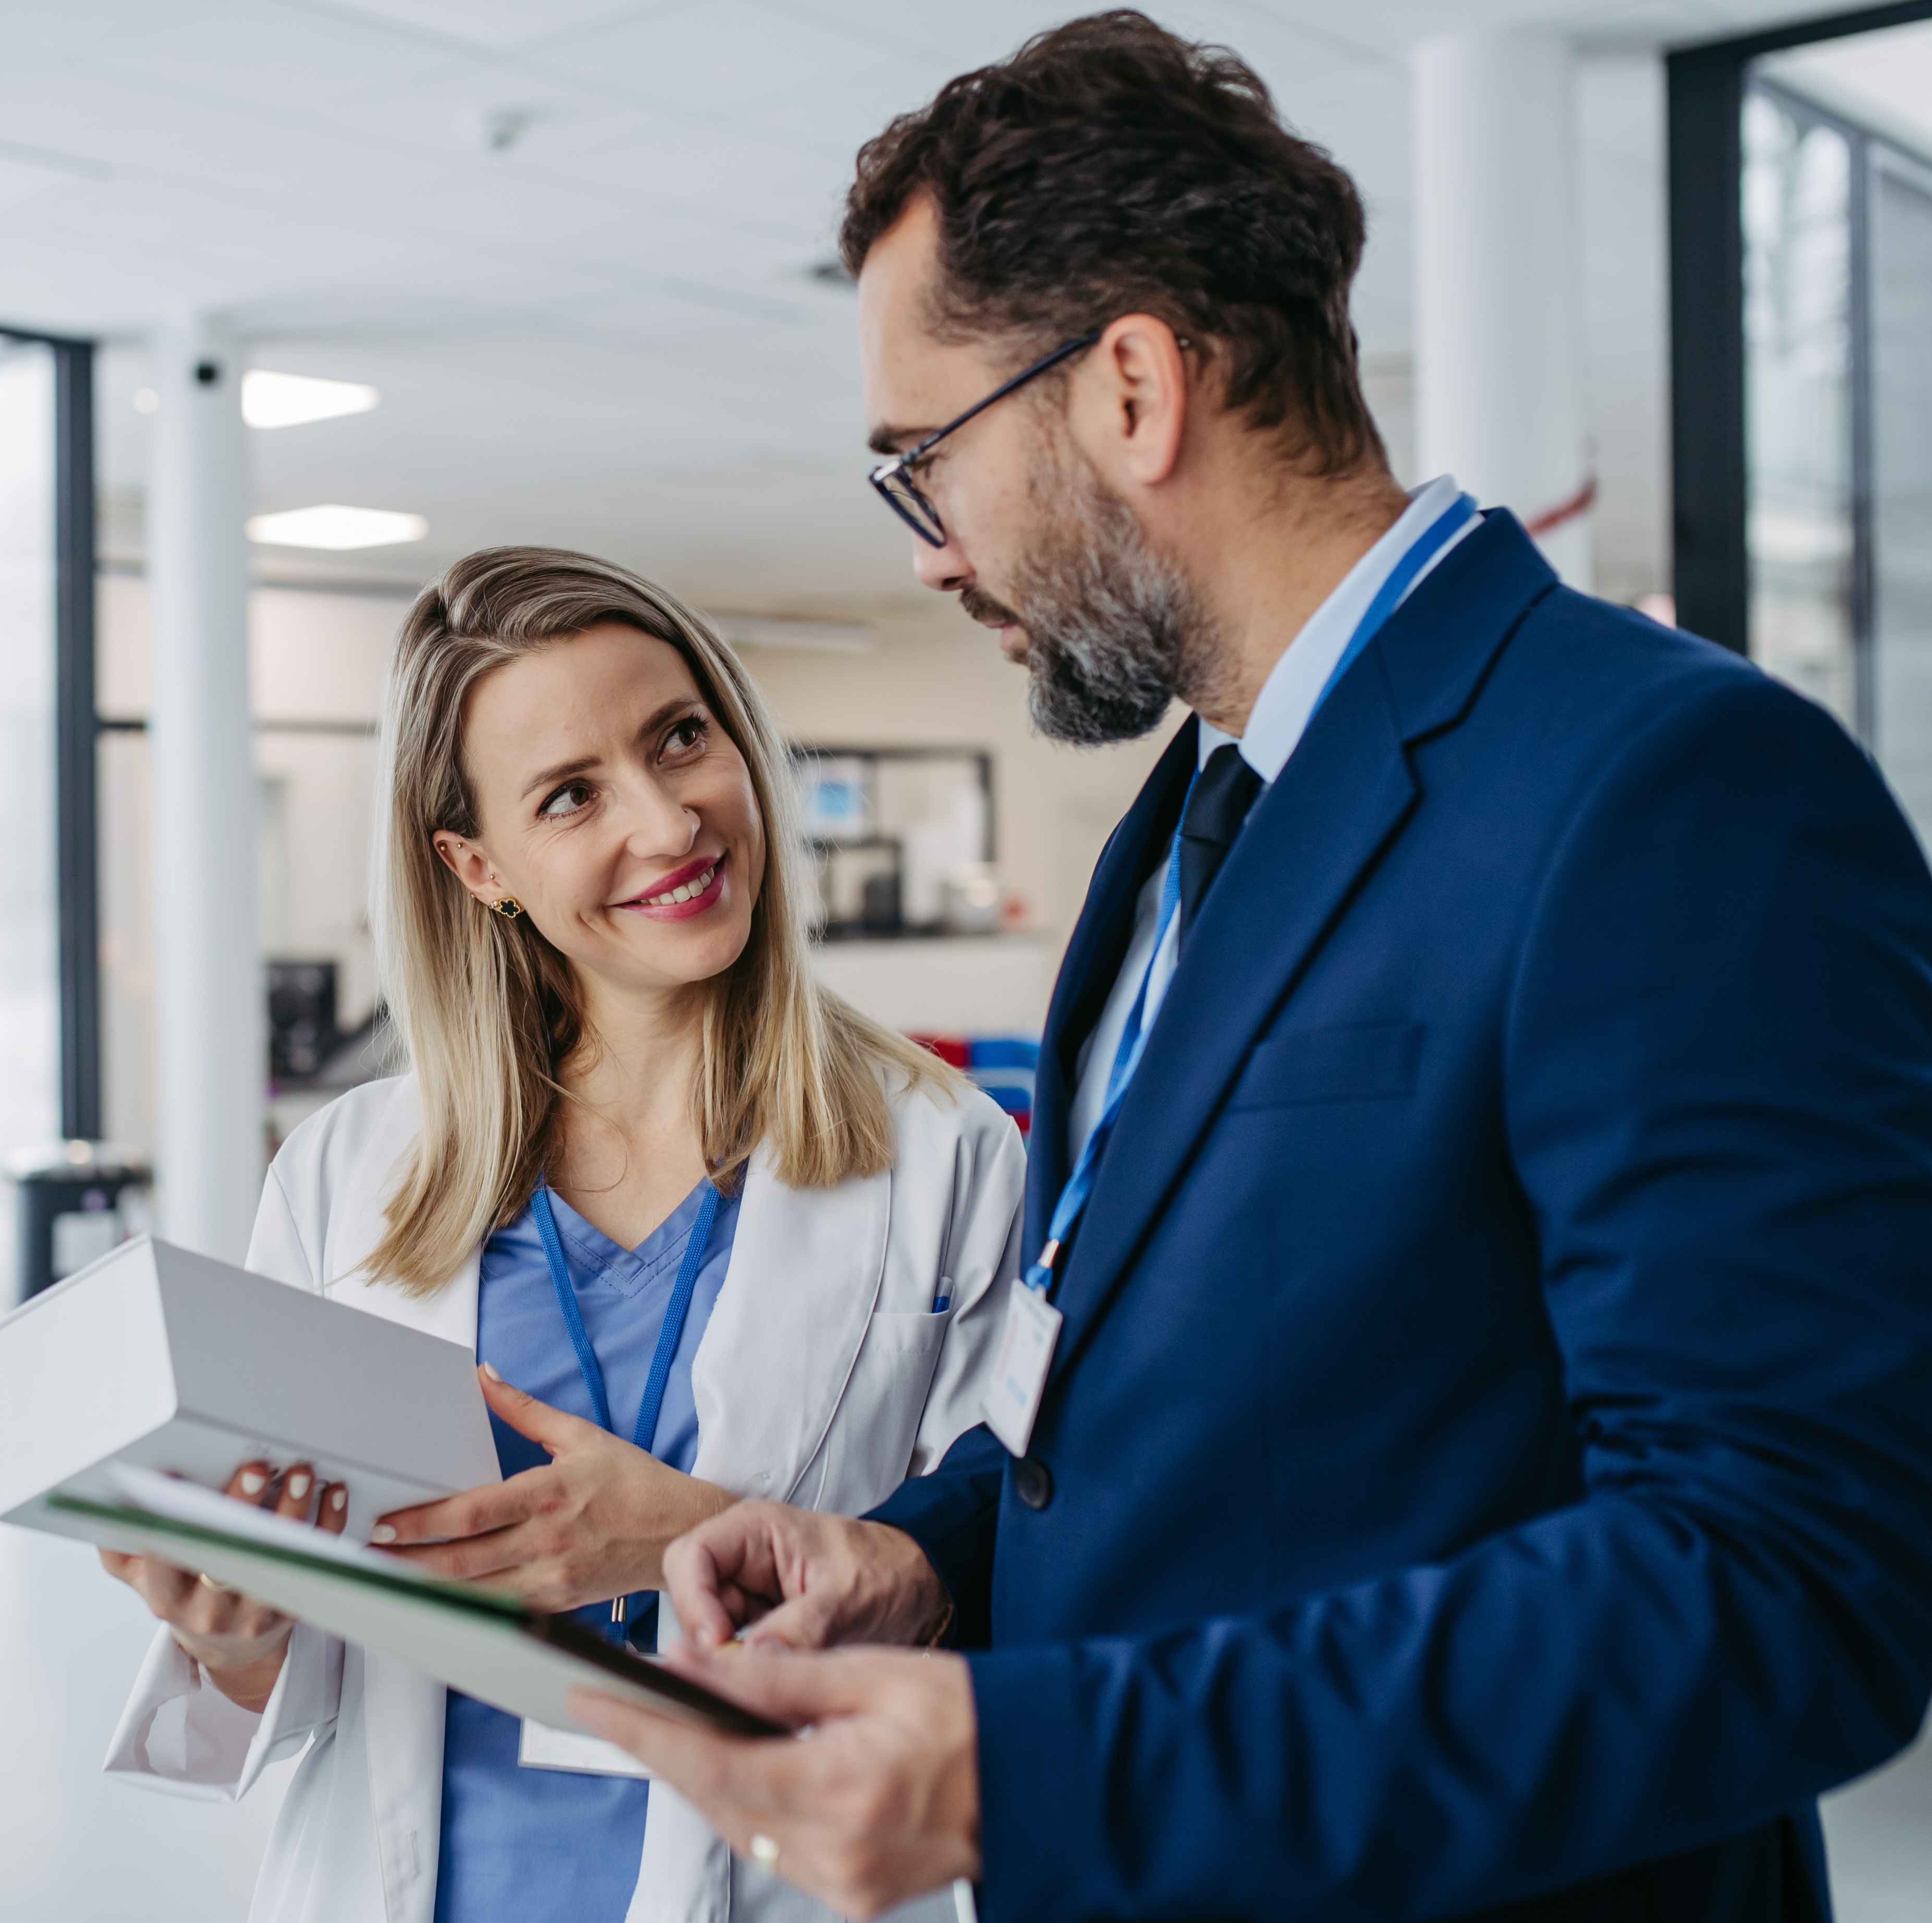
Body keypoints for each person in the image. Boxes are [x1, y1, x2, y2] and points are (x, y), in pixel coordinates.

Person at [571, 14, 1932, 1921]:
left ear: (1129, 387)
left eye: (923, 467)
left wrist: (1034, 1763)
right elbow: (1165, 1397)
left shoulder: (1662, 787)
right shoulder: (1183, 821)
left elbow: (1786, 1577)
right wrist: (930, 1557)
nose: (933, 558)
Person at [97, 548, 1024, 1923]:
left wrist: (689, 1536)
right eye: (571, 794)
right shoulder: (349, 1176)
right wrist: (226, 1630)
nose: (668, 822)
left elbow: (1008, 1578)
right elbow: (295, 1674)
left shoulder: (947, 1154)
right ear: (479, 865)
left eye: (681, 737)